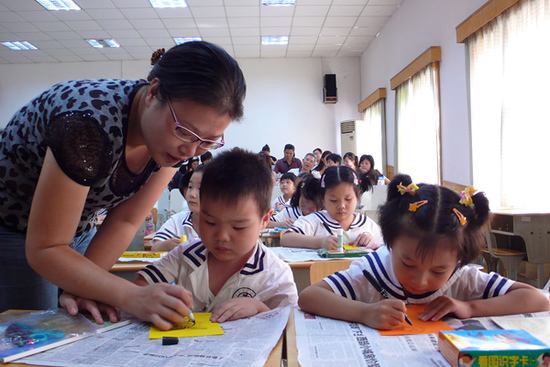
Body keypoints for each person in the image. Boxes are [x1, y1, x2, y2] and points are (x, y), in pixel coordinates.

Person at [0, 41, 246, 326]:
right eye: (185, 132)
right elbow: (46, 249)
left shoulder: (169, 141)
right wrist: (132, 296)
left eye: (207, 141)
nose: (190, 151)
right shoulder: (88, 123)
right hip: (11, 226)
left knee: (79, 320)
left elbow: (127, 220)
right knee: (36, 332)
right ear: (153, 92)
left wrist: (82, 287)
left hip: (73, 232)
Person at [298, 174, 550, 330]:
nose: (420, 280)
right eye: (407, 263)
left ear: (459, 259)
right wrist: (364, 312)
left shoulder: (462, 278)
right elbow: (309, 297)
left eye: (439, 270)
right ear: (390, 243)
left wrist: (469, 307)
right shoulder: (374, 271)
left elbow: (538, 299)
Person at [133, 148, 298, 328]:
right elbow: (140, 285)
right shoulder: (185, 255)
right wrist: (153, 300)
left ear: (264, 220)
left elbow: (291, 325)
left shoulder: (275, 273)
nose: (222, 237)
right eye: (210, 222)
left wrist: (260, 308)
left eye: (238, 227)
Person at [281, 166, 384, 250]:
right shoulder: (315, 221)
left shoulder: (365, 224)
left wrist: (371, 241)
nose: (341, 206)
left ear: (357, 198)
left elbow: (385, 243)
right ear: (323, 200)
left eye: (348, 199)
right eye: (333, 200)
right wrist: (320, 242)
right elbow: (286, 238)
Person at [151, 165, 205, 251]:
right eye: (190, 187)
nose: (192, 194)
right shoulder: (178, 221)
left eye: (201, 189)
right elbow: (155, 248)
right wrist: (166, 245)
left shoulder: (226, 224)